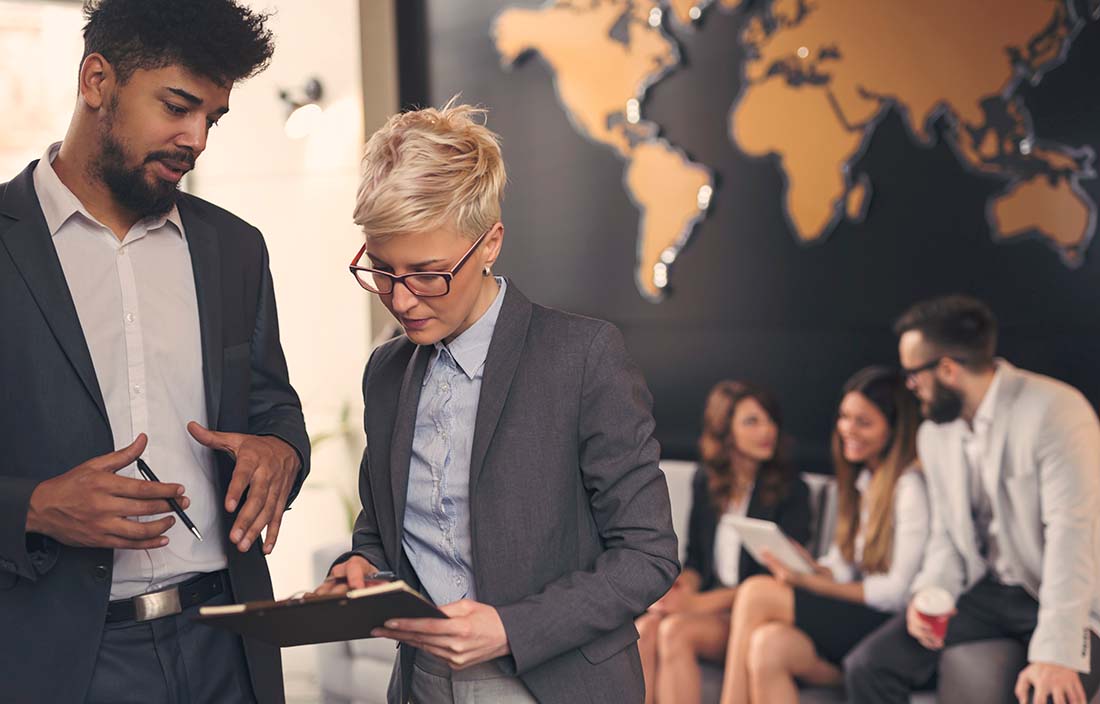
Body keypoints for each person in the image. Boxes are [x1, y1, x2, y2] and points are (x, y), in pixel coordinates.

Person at [312, 101, 679, 704]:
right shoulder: (386, 370)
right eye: (382, 269)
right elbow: (381, 529)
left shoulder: (582, 356)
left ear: (489, 245)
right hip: (421, 684)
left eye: (428, 273)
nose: (401, 300)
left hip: (554, 686)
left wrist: (511, 628)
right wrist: (360, 570)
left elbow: (648, 554)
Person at [0, 1, 310, 702]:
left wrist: (281, 454)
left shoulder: (235, 247)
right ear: (97, 80)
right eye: (177, 106)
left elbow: (273, 405)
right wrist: (36, 507)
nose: (196, 139)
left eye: (213, 119)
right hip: (58, 658)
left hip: (228, 643)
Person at [845, 295, 1100, 704]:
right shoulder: (935, 433)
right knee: (868, 666)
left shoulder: (1056, 411)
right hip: (991, 592)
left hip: (1069, 591)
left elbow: (1072, 537)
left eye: (913, 375)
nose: (911, 388)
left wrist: (1056, 654)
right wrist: (930, 593)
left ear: (947, 369)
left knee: (1050, 696)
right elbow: (947, 535)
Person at [719, 366, 928, 704]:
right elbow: (845, 567)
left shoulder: (909, 490)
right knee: (768, 645)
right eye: (845, 417)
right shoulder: (864, 483)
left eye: (864, 422)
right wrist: (812, 567)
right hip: (855, 618)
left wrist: (813, 583)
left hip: (889, 627)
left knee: (757, 592)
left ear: (894, 430)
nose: (848, 429)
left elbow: (896, 592)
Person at [635, 380, 812, 704]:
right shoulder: (707, 481)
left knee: (675, 632)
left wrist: (696, 605)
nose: (767, 430)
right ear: (725, 431)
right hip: (712, 608)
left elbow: (775, 582)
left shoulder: (793, 490)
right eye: (752, 421)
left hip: (751, 616)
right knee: (646, 628)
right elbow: (696, 562)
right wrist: (680, 588)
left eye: (770, 420)